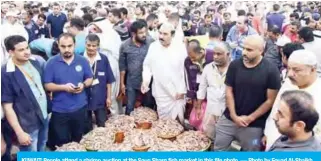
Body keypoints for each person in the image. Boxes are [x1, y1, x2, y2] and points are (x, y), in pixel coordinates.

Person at [214, 35, 281, 151]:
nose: (244, 52)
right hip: (229, 119)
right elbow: (229, 91)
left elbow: (270, 100)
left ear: (261, 51)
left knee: (251, 151)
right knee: (218, 148)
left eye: (249, 50)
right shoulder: (235, 65)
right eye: (243, 48)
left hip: (254, 124)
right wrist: (234, 115)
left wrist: (250, 118)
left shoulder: (271, 70)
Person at [263, 49, 321, 150]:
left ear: (313, 69)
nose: (290, 74)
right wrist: (267, 132)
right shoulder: (289, 83)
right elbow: (276, 109)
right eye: (288, 68)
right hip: (276, 141)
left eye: (296, 70)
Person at [44, 33, 93, 147]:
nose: (67, 49)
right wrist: (64, 87)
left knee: (79, 140)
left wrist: (83, 85)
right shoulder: (51, 63)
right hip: (60, 110)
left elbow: (90, 78)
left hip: (80, 108)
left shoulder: (82, 60)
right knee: (62, 142)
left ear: (74, 45)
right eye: (63, 46)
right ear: (58, 45)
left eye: (70, 46)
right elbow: (47, 85)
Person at [1, 35, 49, 151]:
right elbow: (8, 107)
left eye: (27, 48)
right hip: (27, 123)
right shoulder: (6, 73)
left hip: (43, 115)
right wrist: (19, 132)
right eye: (21, 50)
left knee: (42, 145)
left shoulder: (35, 61)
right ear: (11, 52)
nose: (27, 52)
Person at [142, 22, 187, 124]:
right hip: (161, 91)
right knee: (163, 122)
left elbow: (185, 71)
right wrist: (145, 81)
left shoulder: (180, 48)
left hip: (177, 91)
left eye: (165, 34)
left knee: (178, 121)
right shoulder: (153, 47)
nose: (161, 37)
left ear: (173, 35)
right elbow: (147, 65)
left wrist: (182, 90)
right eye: (160, 33)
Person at [196, 41, 231, 140]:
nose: (215, 56)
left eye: (219, 54)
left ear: (227, 54)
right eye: (214, 53)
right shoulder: (208, 68)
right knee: (208, 136)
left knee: (223, 139)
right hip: (210, 110)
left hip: (227, 113)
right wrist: (198, 107)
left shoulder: (234, 69)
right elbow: (202, 88)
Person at [88, 17, 123, 115]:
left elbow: (114, 52)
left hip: (112, 66)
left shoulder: (112, 35)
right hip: (100, 67)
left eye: (97, 27)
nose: (96, 29)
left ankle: (116, 116)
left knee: (112, 95)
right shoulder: (99, 35)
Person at [119, 20, 155, 115]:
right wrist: (122, 84)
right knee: (130, 107)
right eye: (141, 33)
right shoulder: (125, 45)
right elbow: (122, 66)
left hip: (148, 82)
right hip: (131, 81)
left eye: (145, 32)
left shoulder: (151, 42)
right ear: (133, 34)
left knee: (149, 107)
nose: (144, 35)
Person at [81, 34, 115, 132]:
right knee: (86, 127)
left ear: (98, 46)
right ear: (85, 44)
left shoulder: (103, 59)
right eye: (89, 45)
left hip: (100, 98)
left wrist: (108, 97)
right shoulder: (80, 58)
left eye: (94, 45)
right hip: (84, 98)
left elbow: (108, 80)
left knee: (102, 124)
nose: (91, 48)